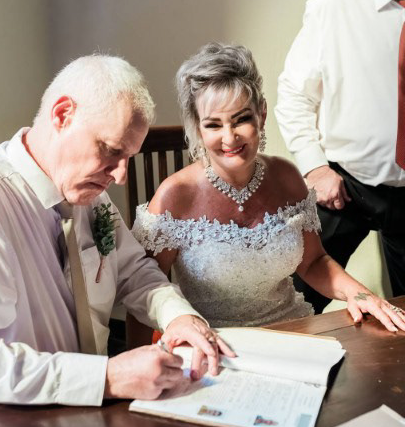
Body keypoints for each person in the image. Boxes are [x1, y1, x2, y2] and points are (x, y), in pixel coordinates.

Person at [0, 55, 233, 406]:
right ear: (62, 115)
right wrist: (106, 377)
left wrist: (177, 316)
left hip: (89, 408)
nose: (120, 176)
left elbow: (134, 271)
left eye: (128, 157)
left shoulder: (91, 195)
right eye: (111, 150)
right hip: (3, 416)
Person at [131, 42, 405, 338]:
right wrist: (139, 360)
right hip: (211, 343)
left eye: (241, 119)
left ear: (261, 114)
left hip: (291, 332)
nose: (229, 138)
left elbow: (313, 262)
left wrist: (360, 295)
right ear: (198, 129)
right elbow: (144, 290)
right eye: (214, 125)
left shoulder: (287, 177)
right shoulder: (175, 196)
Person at [275, 0, 405, 313]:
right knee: (294, 300)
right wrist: (315, 168)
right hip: (345, 185)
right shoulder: (332, 8)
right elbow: (294, 95)